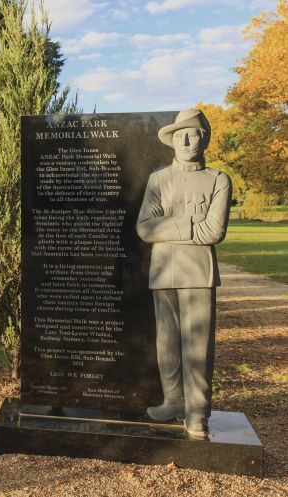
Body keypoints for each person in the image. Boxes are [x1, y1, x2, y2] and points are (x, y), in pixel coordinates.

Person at [136, 108, 232, 440]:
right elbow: (144, 229)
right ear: (173, 140)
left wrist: (170, 226)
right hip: (163, 271)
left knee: (197, 344)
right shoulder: (158, 179)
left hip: (198, 272)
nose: (187, 140)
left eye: (193, 134)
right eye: (181, 135)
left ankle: (197, 412)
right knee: (167, 342)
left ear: (204, 138)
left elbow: (214, 232)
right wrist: (189, 223)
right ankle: (173, 400)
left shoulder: (218, 179)